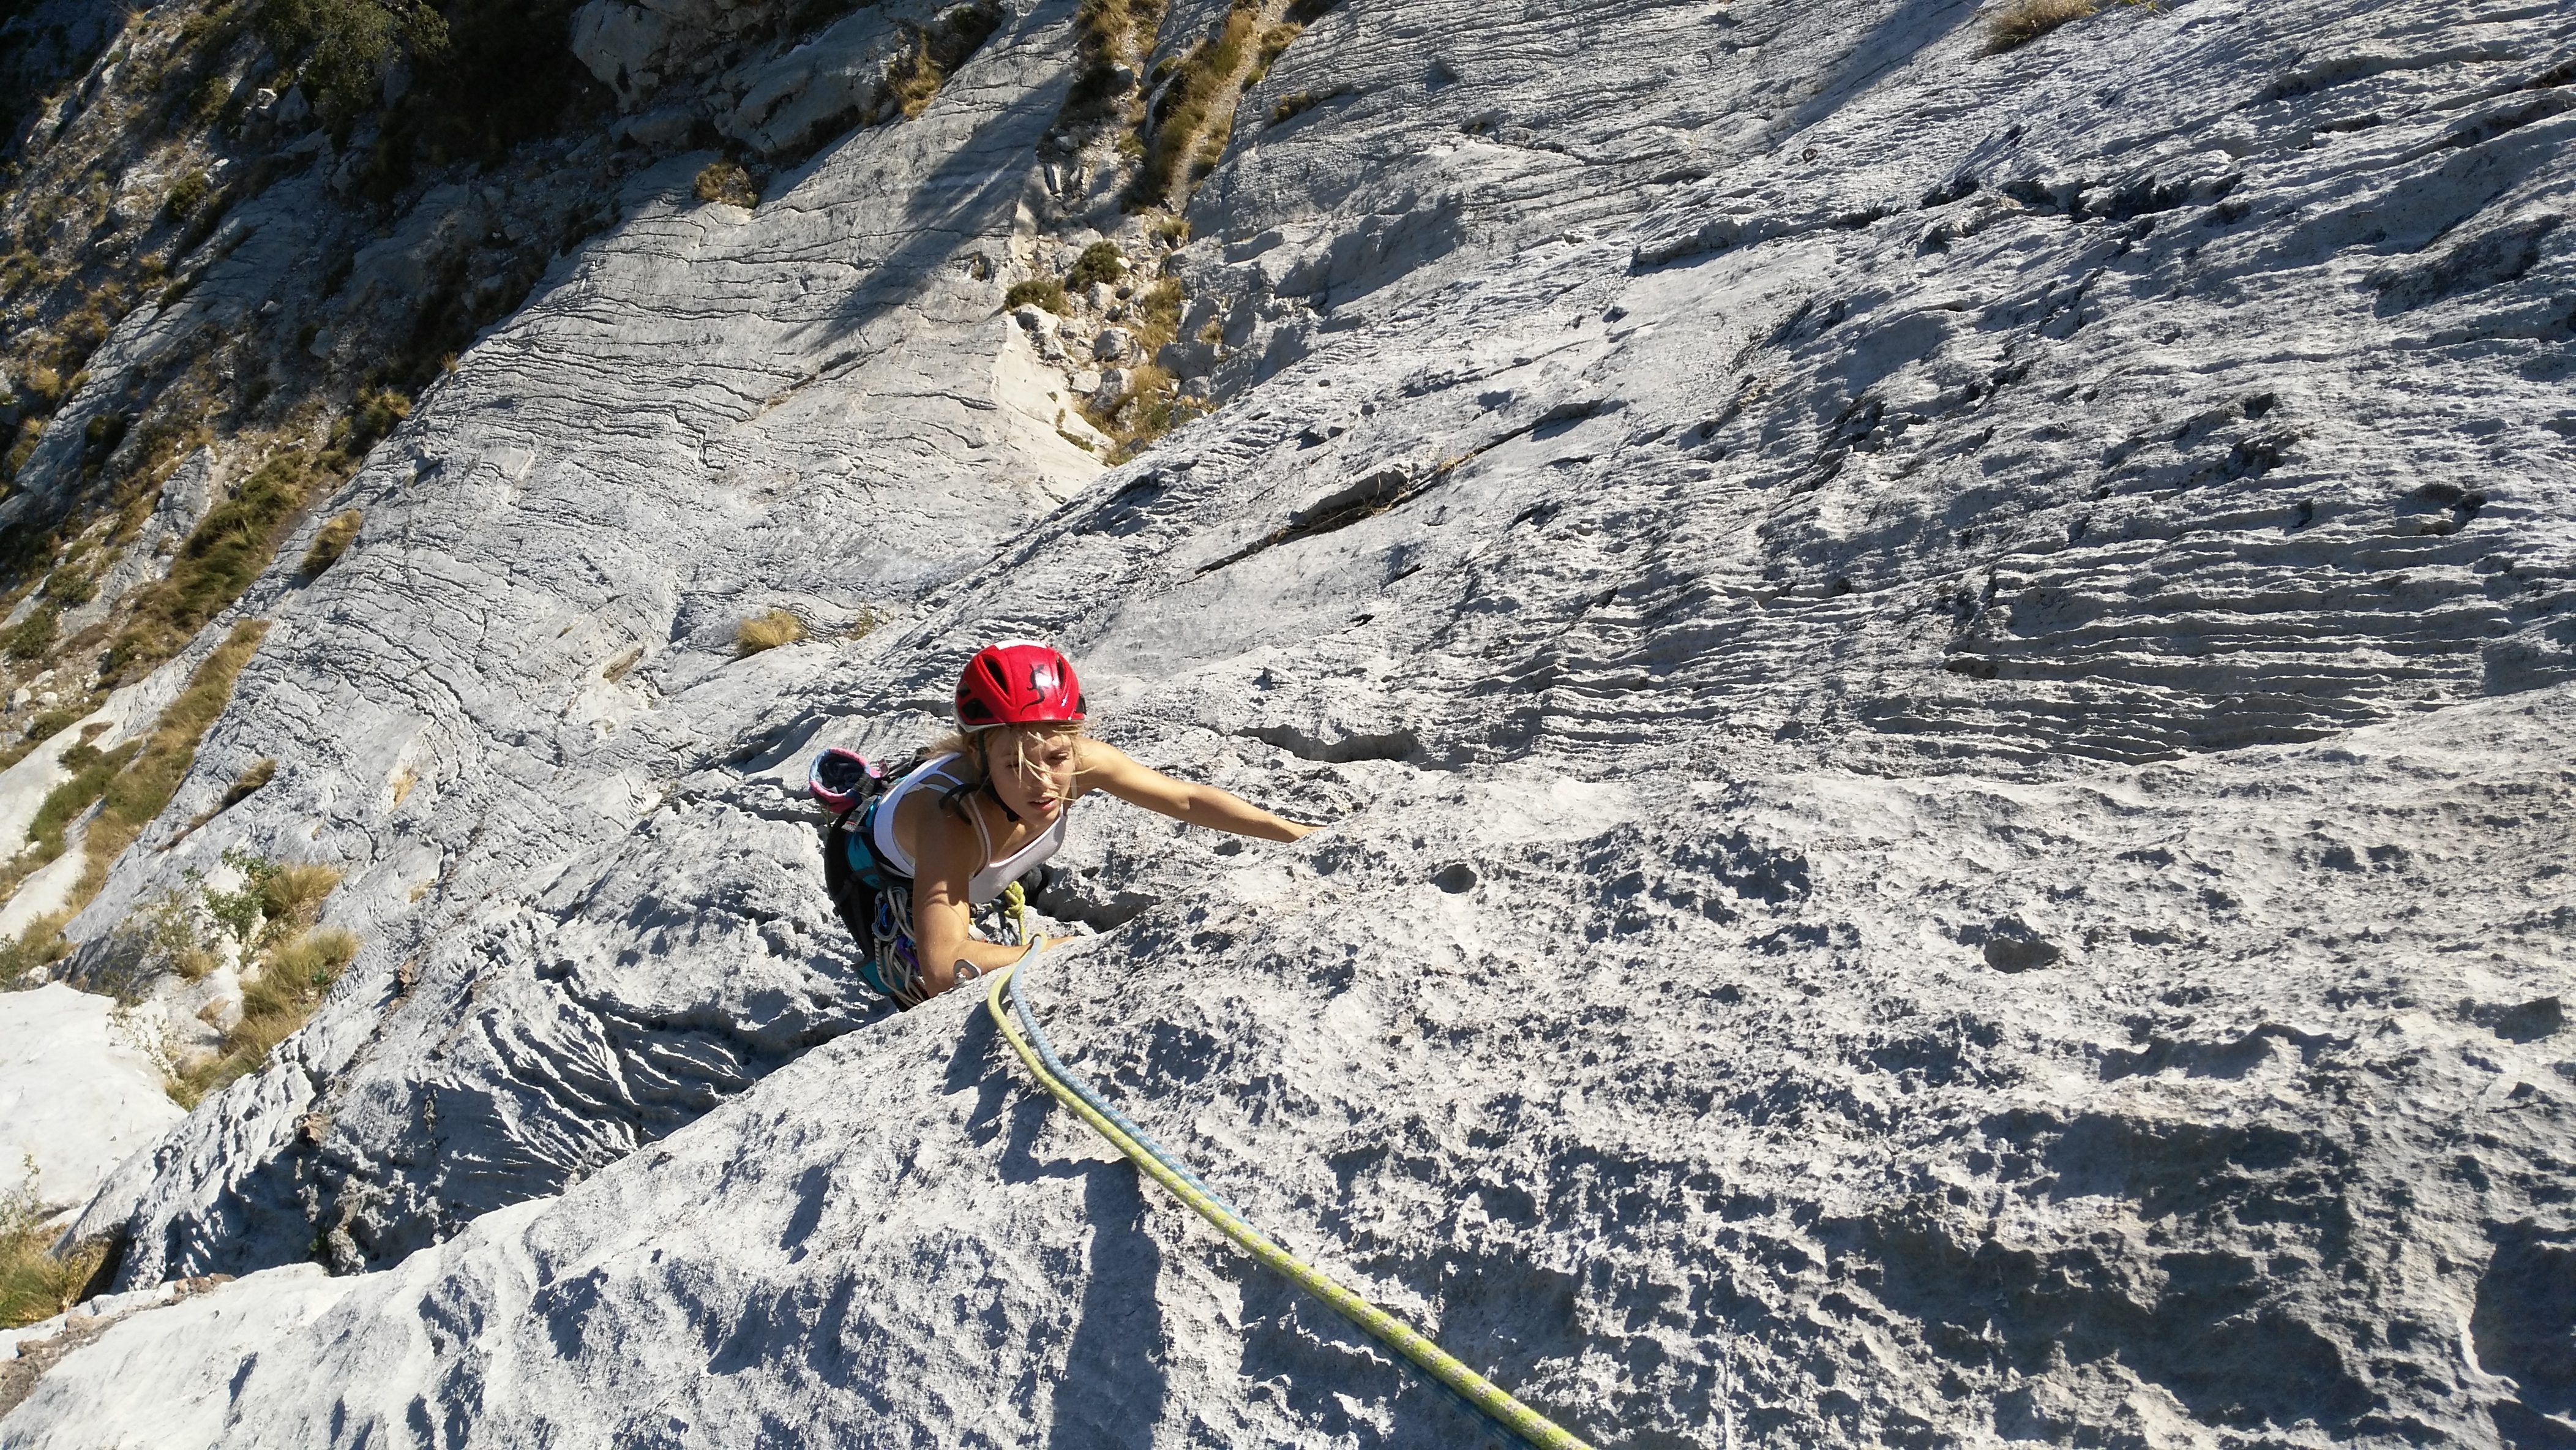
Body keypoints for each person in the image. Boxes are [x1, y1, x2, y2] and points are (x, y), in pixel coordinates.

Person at [817, 642, 1316, 1007]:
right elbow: (945, 968)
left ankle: (1015, 872)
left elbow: (1186, 800)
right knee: (917, 994)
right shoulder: (953, 826)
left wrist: (1297, 834)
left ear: (1074, 741)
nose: (1044, 784)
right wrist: (1063, 949)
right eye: (1014, 765)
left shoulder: (1079, 760)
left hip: (986, 848)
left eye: (1055, 757)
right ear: (978, 756)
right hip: (883, 872)